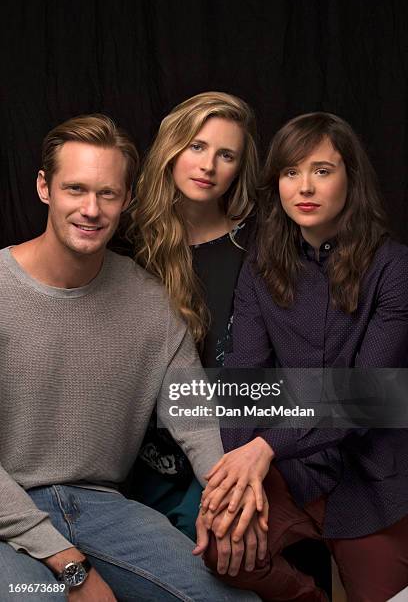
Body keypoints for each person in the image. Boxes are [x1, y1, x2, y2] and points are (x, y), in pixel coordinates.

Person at [0, 113, 260, 602]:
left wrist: (229, 501)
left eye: (108, 194)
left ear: (128, 200)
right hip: (4, 512)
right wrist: (69, 567)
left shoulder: (150, 302)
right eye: (75, 189)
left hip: (103, 508)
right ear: (44, 188)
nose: (91, 209)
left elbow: (194, 415)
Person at [198, 112, 408, 601]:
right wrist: (238, 469)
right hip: (293, 475)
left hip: (374, 478)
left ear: (350, 179)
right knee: (222, 551)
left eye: (322, 170)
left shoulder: (394, 268)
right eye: (291, 173)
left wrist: (264, 447)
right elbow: (240, 381)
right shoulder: (261, 267)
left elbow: (364, 395)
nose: (304, 187)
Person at [126, 91, 259, 540]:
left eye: (226, 155)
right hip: (139, 461)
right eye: (197, 146)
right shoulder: (129, 242)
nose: (208, 165)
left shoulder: (256, 248)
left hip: (228, 453)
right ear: (172, 148)